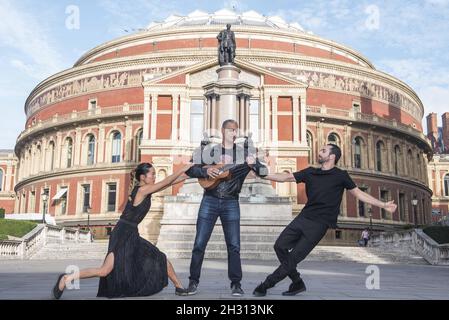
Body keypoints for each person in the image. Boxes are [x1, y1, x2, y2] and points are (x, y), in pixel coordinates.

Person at [253, 144, 397, 297]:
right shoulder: (310, 172)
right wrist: (264, 175)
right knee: (279, 246)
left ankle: (265, 285)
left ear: (332, 156)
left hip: (319, 224)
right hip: (303, 217)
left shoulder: (341, 176)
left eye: (323, 151)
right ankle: (297, 282)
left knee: (294, 258)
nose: (319, 152)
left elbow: (359, 194)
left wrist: (382, 204)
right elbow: (286, 177)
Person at [52, 162, 193, 299]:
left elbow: (168, 183)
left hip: (130, 233)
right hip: (122, 233)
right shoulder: (142, 190)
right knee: (104, 270)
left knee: (159, 257)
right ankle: (66, 278)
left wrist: (189, 175)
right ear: (142, 177)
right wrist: (182, 169)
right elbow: (165, 182)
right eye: (152, 174)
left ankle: (179, 287)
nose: (155, 177)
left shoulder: (144, 189)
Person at [184, 119, 268, 296]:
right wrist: (205, 171)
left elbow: (263, 172)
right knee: (199, 243)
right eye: (231, 130)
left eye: (236, 130)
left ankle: (236, 284)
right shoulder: (210, 151)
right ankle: (193, 282)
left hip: (231, 201)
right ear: (223, 131)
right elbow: (190, 169)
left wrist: (256, 164)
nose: (234, 133)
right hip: (209, 199)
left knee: (234, 245)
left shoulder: (244, 153)